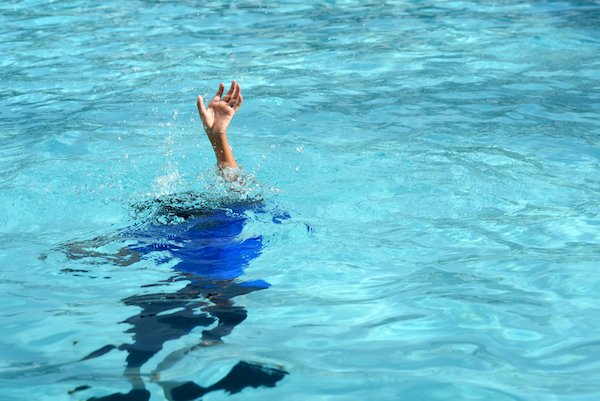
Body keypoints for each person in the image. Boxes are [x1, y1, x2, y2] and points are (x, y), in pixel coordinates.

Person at [60, 81, 288, 401]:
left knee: (154, 337)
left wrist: (78, 253)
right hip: (212, 290)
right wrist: (219, 137)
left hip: (180, 291)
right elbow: (236, 185)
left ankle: (139, 378)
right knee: (216, 330)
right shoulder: (228, 221)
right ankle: (150, 376)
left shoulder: (167, 236)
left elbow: (117, 253)